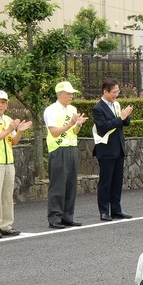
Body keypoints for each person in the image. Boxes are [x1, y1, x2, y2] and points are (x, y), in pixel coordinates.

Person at [0, 90, 32, 238]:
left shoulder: (7, 119)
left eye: (4, 102)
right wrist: (9, 129)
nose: (1, 105)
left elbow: (13, 141)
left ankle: (5, 225)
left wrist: (19, 131)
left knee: (7, 195)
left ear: (7, 104)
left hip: (8, 162)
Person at [44, 81, 87, 229]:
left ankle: (67, 217)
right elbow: (54, 132)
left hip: (71, 148)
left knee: (70, 184)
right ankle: (55, 218)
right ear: (60, 94)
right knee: (58, 185)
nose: (71, 96)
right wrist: (70, 124)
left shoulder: (72, 109)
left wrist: (78, 124)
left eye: (72, 93)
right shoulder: (50, 110)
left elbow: (74, 132)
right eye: (68, 93)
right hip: (58, 149)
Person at [92, 78, 133, 221]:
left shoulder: (116, 105)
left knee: (117, 181)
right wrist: (120, 118)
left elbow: (123, 123)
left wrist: (126, 116)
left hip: (118, 147)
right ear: (105, 92)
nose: (116, 94)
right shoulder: (98, 108)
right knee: (106, 182)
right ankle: (104, 211)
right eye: (114, 92)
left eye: (117, 91)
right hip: (106, 149)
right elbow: (103, 126)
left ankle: (116, 209)